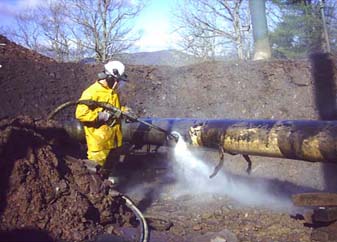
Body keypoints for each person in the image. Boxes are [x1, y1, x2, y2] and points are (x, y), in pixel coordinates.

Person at [75, 60, 129, 182]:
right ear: (109, 77)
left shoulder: (112, 92)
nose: (119, 84)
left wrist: (124, 111)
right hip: (99, 142)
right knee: (95, 175)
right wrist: (100, 116)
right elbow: (80, 113)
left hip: (114, 141)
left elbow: (115, 109)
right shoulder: (92, 92)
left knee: (109, 172)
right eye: (117, 81)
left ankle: (110, 191)